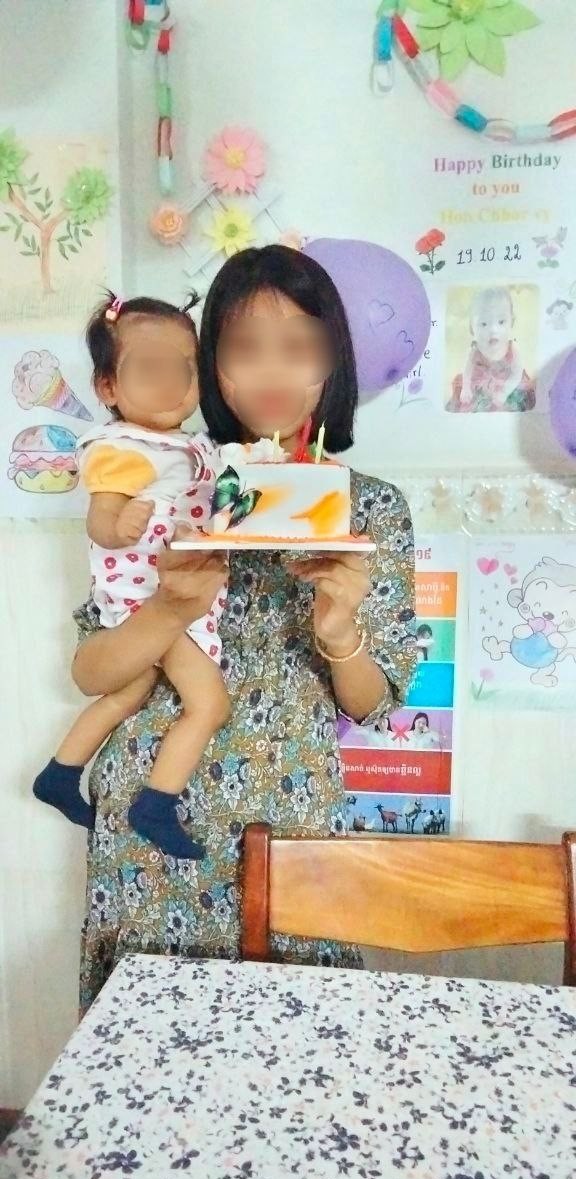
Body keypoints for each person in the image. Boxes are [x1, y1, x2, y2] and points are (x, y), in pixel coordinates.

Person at [71, 244, 417, 1011]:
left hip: (288, 825)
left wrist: (339, 632)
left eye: (300, 347)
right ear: (210, 362)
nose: (272, 372)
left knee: (300, 1044)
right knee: (149, 1050)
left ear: (334, 360)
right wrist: (169, 609)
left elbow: (372, 705)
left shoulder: (370, 508)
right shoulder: (167, 484)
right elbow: (92, 673)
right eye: (244, 347)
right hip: (150, 827)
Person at [33, 294, 228, 861]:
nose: (170, 383)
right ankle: (156, 803)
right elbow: (99, 522)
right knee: (209, 704)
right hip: (148, 596)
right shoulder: (122, 448)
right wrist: (121, 526)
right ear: (108, 387)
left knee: (132, 687)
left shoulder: (189, 448)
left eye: (183, 368)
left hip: (169, 590)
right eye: (149, 368)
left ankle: (60, 771)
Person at [447, 286, 536, 413]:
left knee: (513, 405)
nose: (493, 330)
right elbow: (467, 371)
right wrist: (466, 388)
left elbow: (516, 374)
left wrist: (504, 392)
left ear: (512, 322)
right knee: (470, 405)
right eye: (484, 324)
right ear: (472, 327)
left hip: (507, 384)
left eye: (501, 322)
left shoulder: (512, 349)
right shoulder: (475, 350)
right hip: (480, 385)